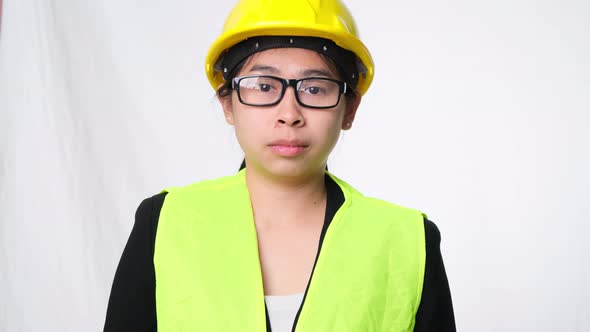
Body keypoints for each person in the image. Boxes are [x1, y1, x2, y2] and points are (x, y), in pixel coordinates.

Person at [104, 0, 456, 331]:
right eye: (263, 86)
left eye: (315, 89)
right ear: (228, 103)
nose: (289, 114)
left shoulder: (409, 240)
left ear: (349, 109)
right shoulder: (165, 222)